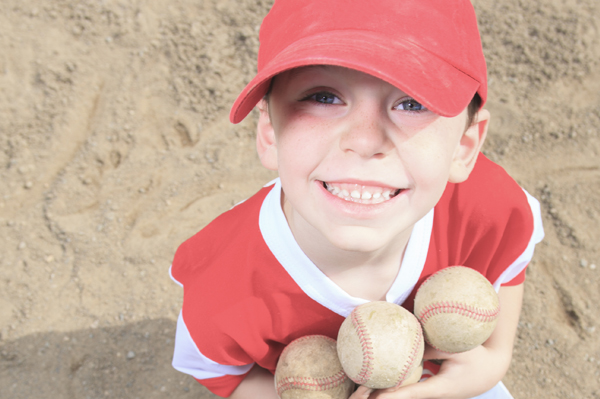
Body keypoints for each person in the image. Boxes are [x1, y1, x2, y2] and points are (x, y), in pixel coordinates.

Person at [169, 0, 544, 398]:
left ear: (464, 147)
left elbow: (493, 352)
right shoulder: (223, 280)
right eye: (324, 97)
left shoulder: (489, 210)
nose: (364, 141)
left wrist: (467, 379)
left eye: (412, 103)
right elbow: (226, 375)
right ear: (269, 133)